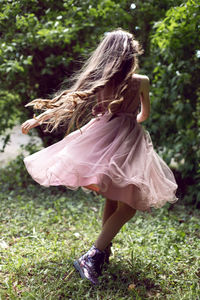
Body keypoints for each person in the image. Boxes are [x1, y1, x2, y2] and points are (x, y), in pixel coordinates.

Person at [21, 29, 178, 285]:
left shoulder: (102, 81)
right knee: (127, 205)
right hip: (128, 140)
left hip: (101, 134)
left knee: (115, 198)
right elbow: (144, 115)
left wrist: (38, 118)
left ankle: (101, 253)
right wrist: (130, 120)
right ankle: (93, 254)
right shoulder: (142, 81)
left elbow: (68, 102)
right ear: (131, 55)